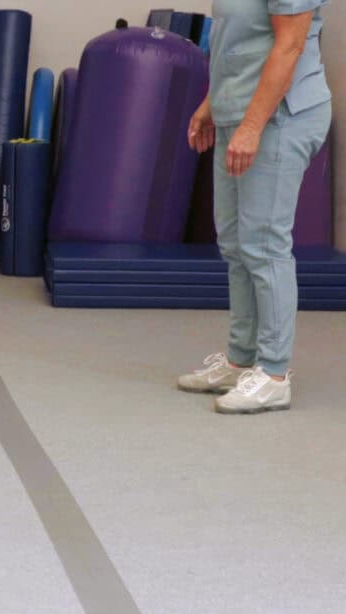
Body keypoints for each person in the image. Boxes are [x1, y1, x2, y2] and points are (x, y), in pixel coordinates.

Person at [179, 1, 331, 414]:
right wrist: (216, 103)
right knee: (234, 244)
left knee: (264, 245)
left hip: (279, 117)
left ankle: (274, 374)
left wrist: (250, 126)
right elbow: (235, 41)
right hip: (239, 112)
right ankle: (240, 359)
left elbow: (289, 46)